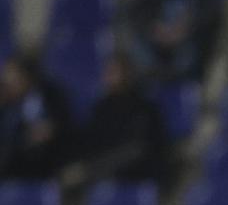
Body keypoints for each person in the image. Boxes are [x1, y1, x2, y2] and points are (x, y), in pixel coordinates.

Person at [67, 53, 170, 185]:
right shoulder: (101, 106)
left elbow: (136, 150)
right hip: (103, 175)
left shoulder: (145, 108)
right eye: (106, 71)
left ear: (127, 75)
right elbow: (90, 141)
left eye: (113, 72)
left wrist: (89, 170)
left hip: (138, 177)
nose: (107, 76)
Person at [122, 0, 224, 85]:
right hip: (159, 43)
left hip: (188, 45)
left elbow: (211, 11)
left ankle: (174, 82)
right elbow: (134, 9)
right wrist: (154, 28)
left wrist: (186, 28)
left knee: (189, 53)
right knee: (138, 46)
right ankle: (153, 79)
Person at [0, 54, 73, 180]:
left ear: (26, 78)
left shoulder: (52, 96)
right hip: (13, 167)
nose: (6, 82)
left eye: (12, 77)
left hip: (50, 164)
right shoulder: (7, 103)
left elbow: (63, 126)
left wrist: (50, 130)